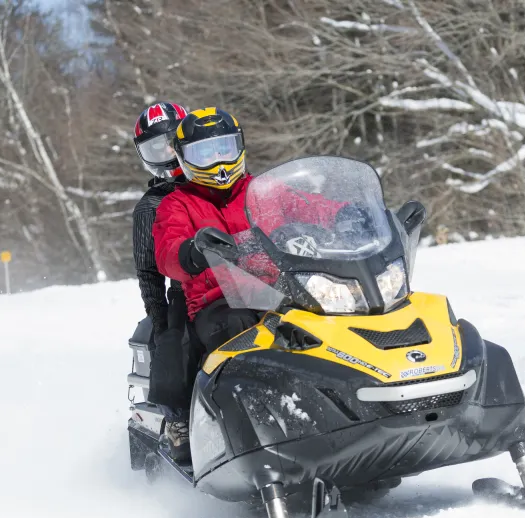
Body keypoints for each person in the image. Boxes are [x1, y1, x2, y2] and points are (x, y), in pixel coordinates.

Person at [153, 108, 357, 356]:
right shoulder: (178, 203)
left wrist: (344, 213)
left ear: (239, 147)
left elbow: (308, 206)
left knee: (337, 306)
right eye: (204, 154)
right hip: (218, 302)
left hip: (280, 289)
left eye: (224, 149)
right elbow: (167, 254)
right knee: (239, 326)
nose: (218, 161)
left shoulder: (263, 190)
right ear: (185, 158)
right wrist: (193, 251)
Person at [131, 101, 199, 462]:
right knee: (176, 338)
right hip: (184, 291)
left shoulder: (215, 183)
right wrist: (160, 326)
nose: (168, 154)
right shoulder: (151, 205)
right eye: (157, 148)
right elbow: (148, 272)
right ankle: (179, 420)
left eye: (173, 142)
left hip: (242, 281)